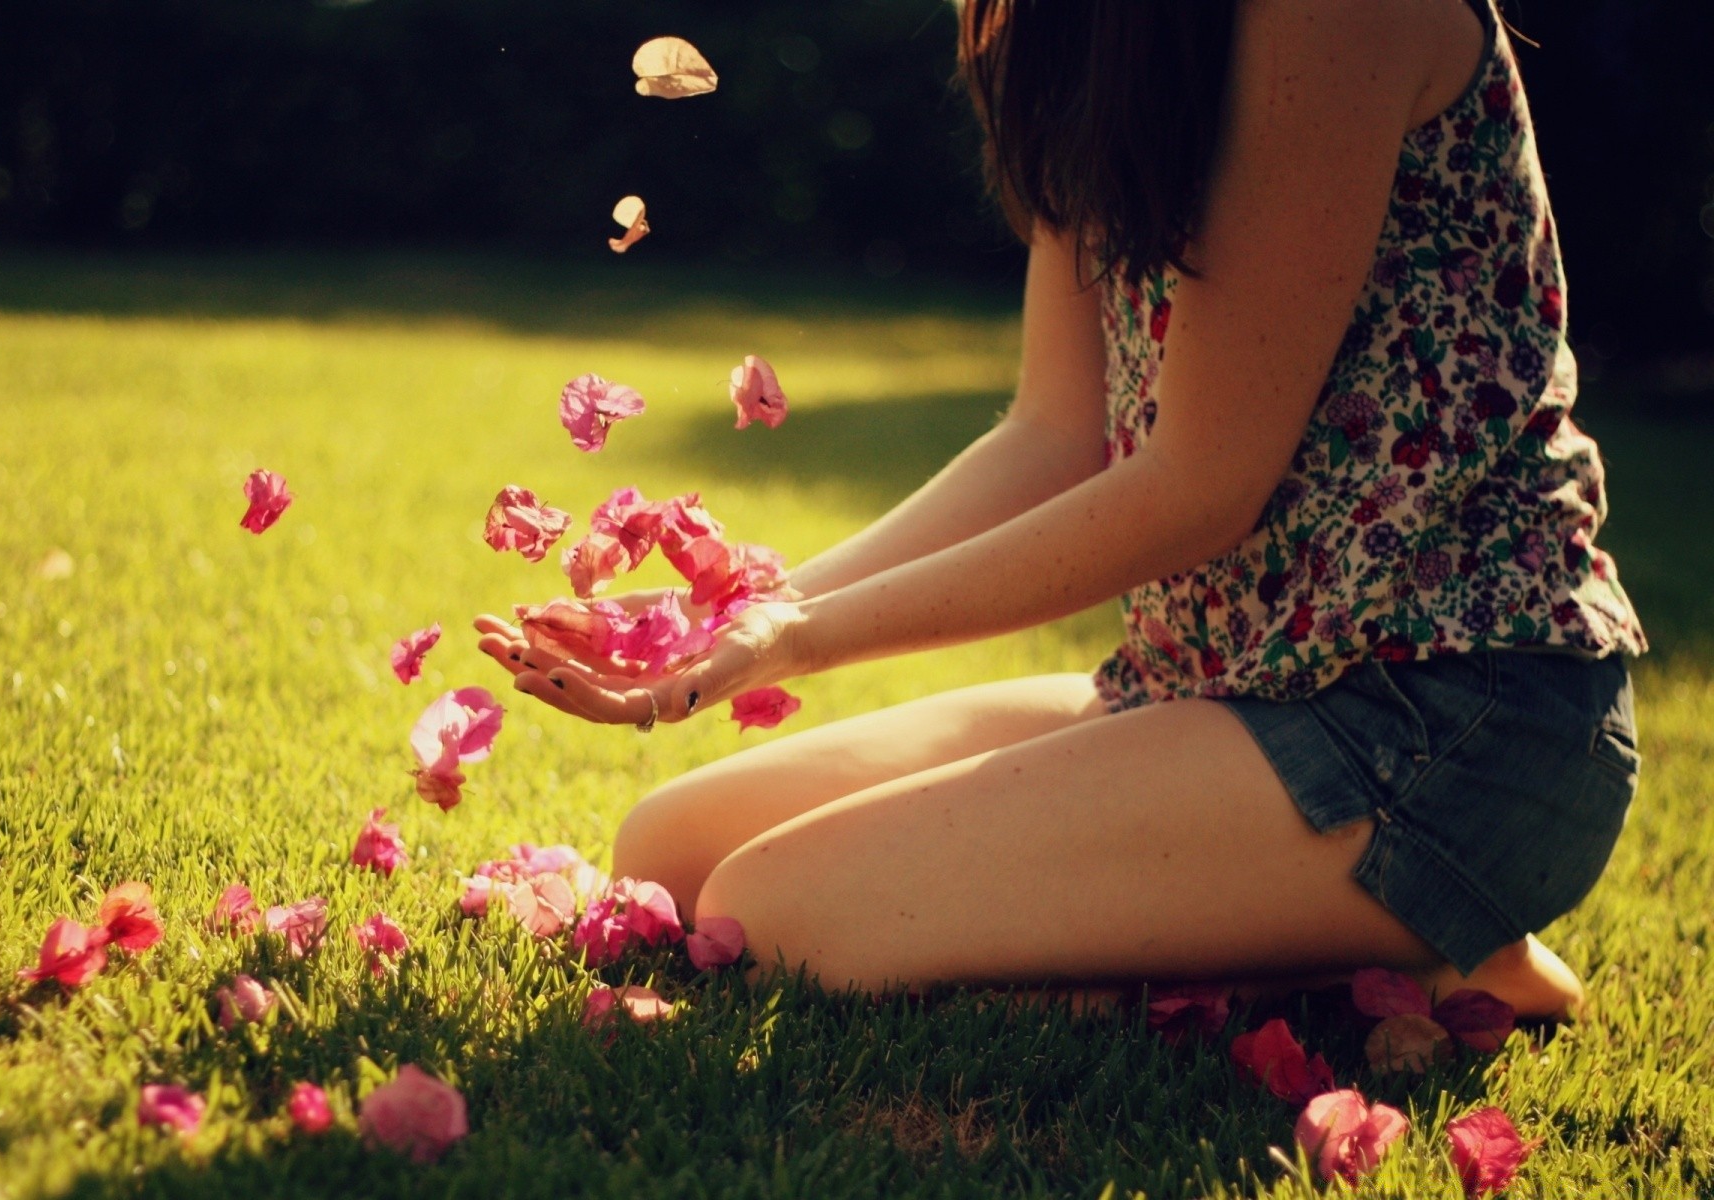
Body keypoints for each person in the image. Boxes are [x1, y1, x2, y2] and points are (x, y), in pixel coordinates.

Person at [474, 0, 1644, 1020]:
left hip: (1447, 713)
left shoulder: (1325, 11)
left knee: (776, 917)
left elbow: (1199, 489)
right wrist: (742, 613)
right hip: (1213, 683)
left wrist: (799, 638)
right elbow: (1056, 434)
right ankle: (1365, 939)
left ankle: (1412, 953)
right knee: (671, 851)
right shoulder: (1073, 24)